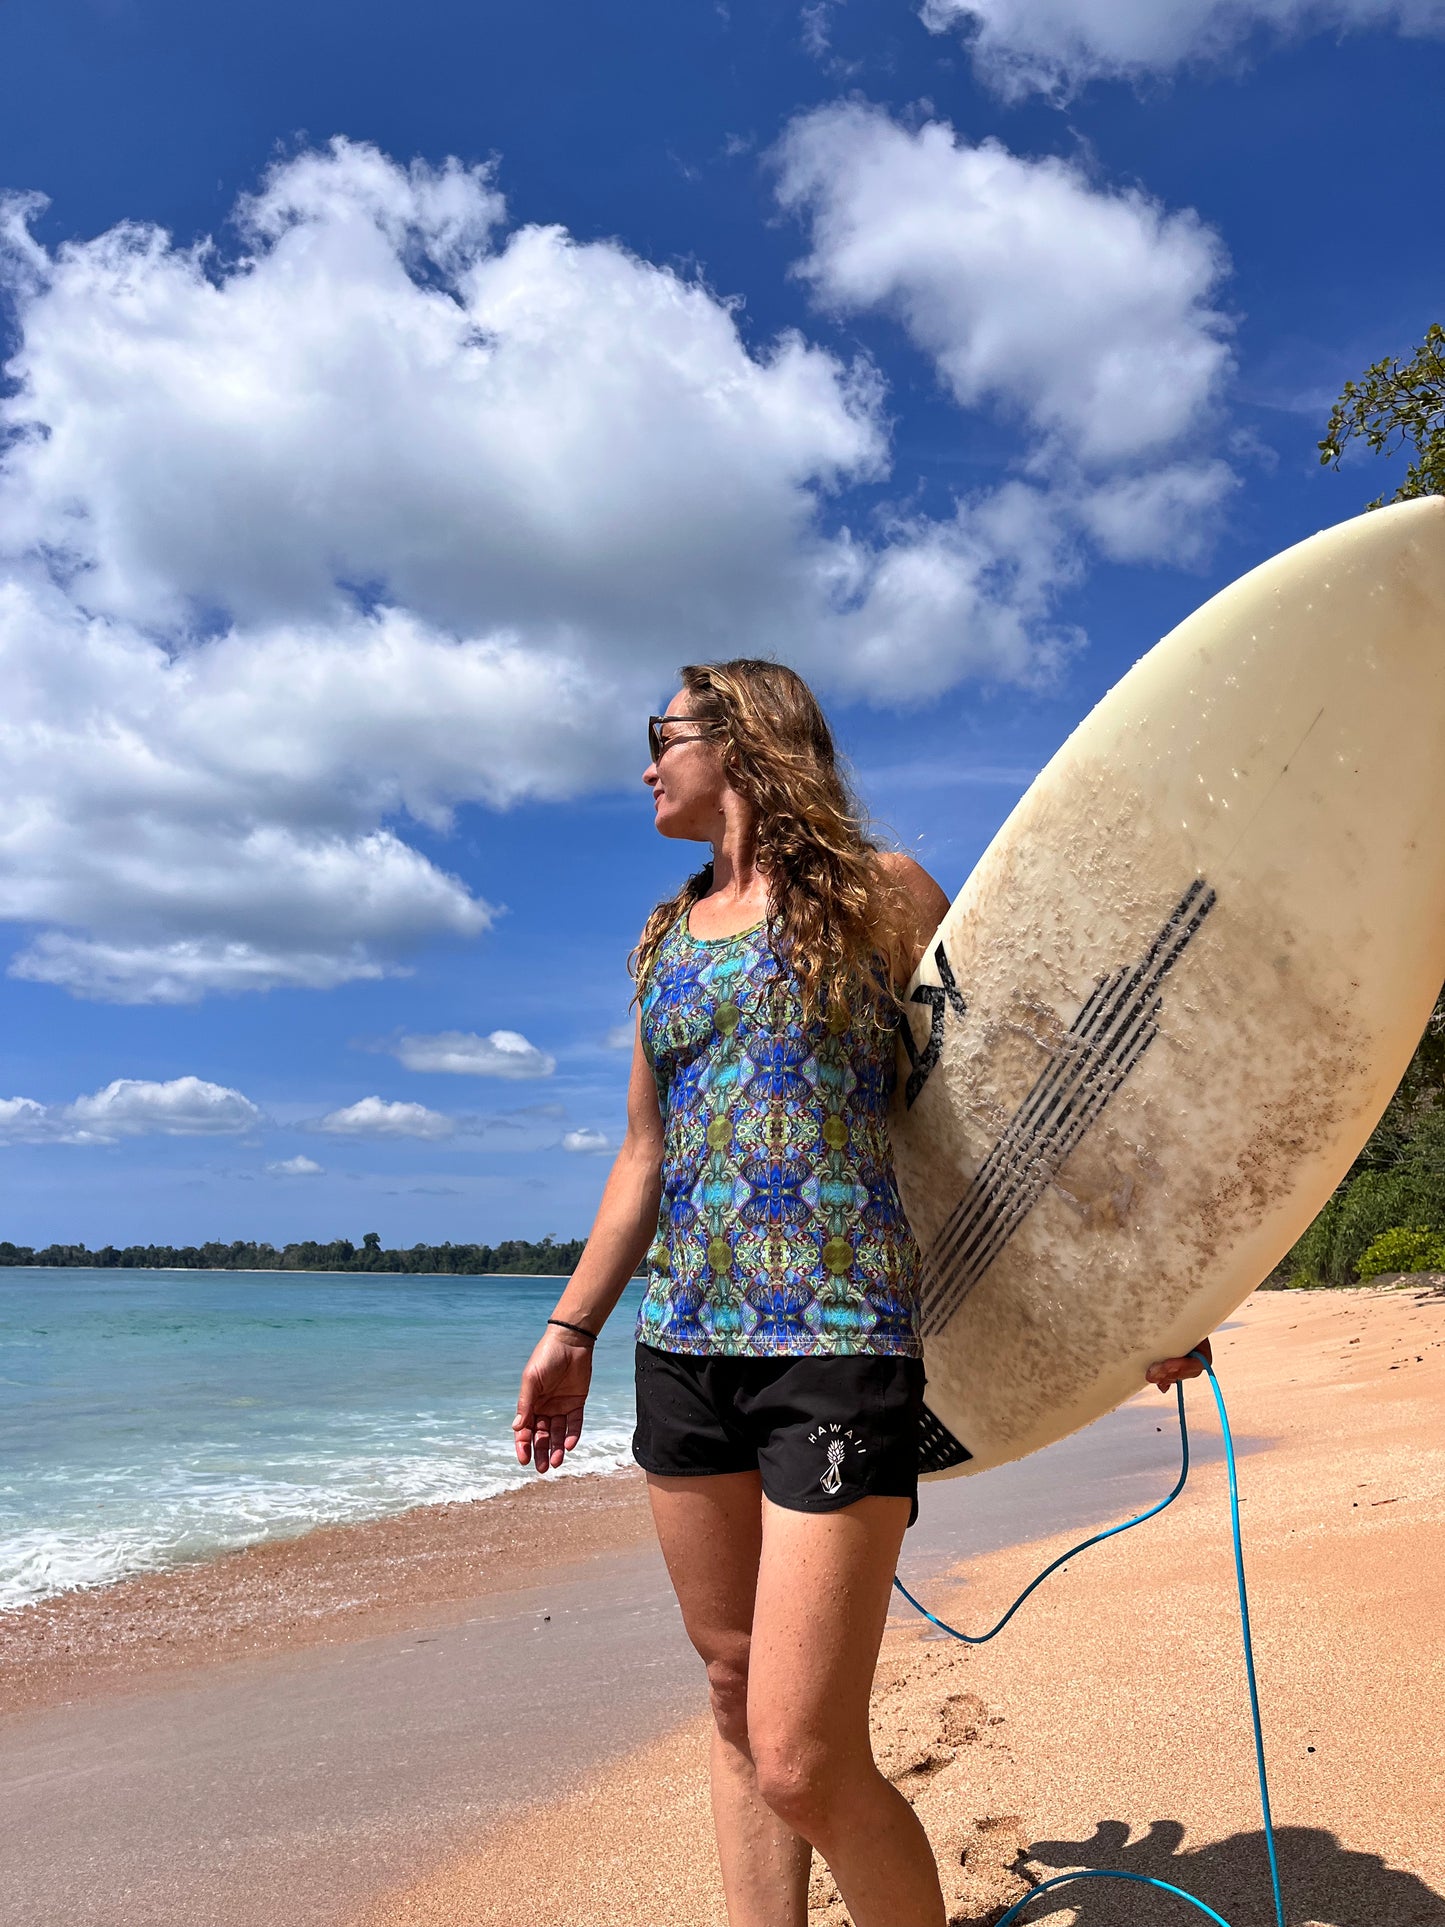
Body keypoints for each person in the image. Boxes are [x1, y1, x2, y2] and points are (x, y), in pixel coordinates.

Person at [513, 659, 1209, 1927]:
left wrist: (1141, 1294)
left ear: (739, 738)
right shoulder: (666, 938)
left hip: (836, 1347)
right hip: (682, 1349)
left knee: (801, 1756)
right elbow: (643, 1154)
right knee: (729, 1690)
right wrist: (570, 1328)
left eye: (658, 735)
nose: (645, 764)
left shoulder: (880, 901)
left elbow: (1008, 1118)